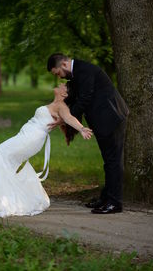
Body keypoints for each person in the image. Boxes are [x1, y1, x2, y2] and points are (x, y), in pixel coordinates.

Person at [0, 83, 92, 217]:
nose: (60, 84)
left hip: (31, 138)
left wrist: (81, 129)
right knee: (2, 160)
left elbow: (69, 118)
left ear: (64, 94)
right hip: (27, 135)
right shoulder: (55, 105)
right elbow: (62, 119)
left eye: (64, 86)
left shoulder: (62, 107)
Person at [47, 53, 129, 214]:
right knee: (108, 161)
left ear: (63, 64)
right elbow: (74, 97)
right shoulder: (77, 73)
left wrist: (65, 119)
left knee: (114, 161)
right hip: (103, 121)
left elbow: (84, 99)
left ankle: (115, 203)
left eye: (57, 73)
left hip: (112, 118)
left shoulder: (84, 70)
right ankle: (106, 198)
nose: (59, 78)